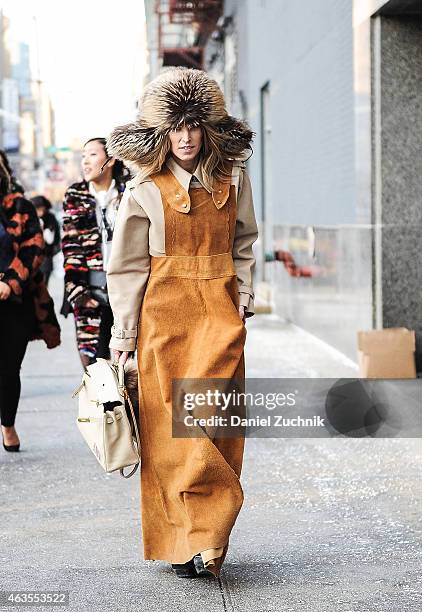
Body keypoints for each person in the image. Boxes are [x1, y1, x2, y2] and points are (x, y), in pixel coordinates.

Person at [106, 67, 258, 578]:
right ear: (161, 133)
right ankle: (182, 540)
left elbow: (244, 243)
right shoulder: (143, 188)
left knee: (215, 426)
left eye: (195, 125)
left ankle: (210, 535)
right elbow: (126, 267)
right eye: (176, 128)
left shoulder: (234, 178)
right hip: (162, 318)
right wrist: (124, 337)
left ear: (209, 128)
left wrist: (246, 295)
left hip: (220, 311)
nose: (186, 137)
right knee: (170, 435)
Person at [0, 150, 61, 452]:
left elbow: (35, 248)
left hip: (16, 301)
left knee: (9, 370)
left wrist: (9, 282)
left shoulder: (21, 207)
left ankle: (7, 423)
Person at [61, 138, 129, 368]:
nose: (86, 161)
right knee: (94, 365)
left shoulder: (129, 191)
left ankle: (128, 405)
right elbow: (70, 247)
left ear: (110, 160)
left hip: (127, 293)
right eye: (83, 156)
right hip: (90, 293)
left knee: (127, 364)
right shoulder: (75, 194)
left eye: (92, 154)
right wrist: (79, 294)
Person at [31, 195, 61, 286]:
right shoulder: (31, 218)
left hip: (45, 257)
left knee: (43, 285)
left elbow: (51, 240)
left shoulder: (50, 218)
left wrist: (43, 230)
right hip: (31, 257)